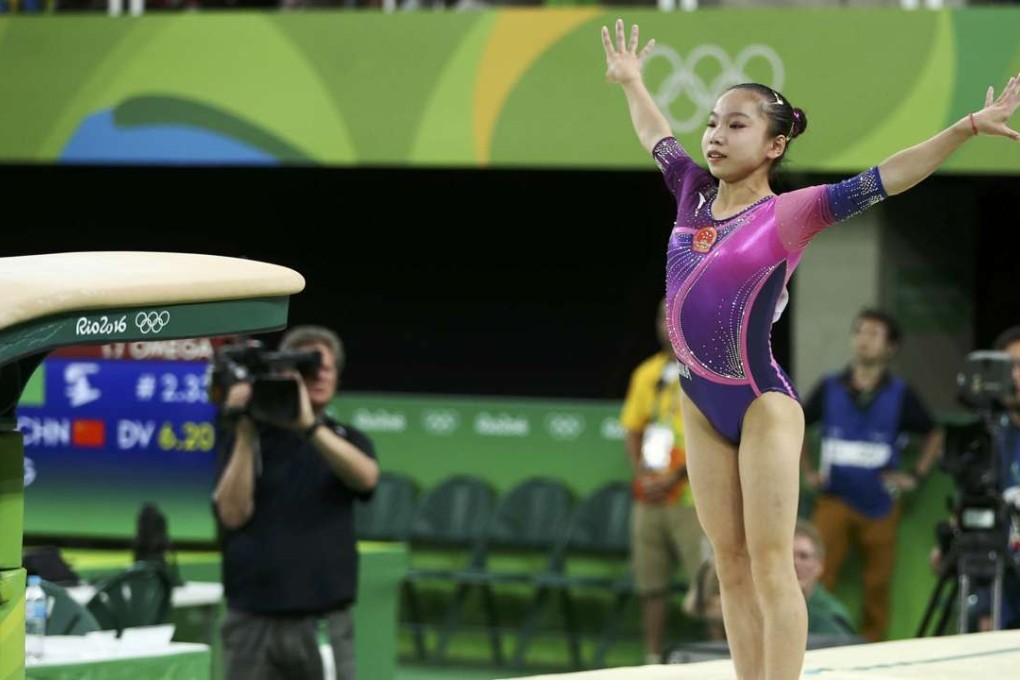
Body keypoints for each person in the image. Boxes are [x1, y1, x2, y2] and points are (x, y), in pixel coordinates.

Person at [600, 15, 1019, 680]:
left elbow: (888, 176)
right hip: (699, 402)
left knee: (771, 566)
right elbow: (656, 133)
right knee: (728, 566)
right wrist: (630, 81)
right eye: (712, 121)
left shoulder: (789, 214)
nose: (714, 133)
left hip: (761, 401)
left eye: (736, 124)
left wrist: (965, 127)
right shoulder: (690, 193)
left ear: (773, 144)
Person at [212, 325, 380, 680]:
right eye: (306, 368)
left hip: (322, 621)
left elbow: (366, 478)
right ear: (284, 375)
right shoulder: (249, 440)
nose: (317, 376)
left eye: (325, 368)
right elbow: (232, 514)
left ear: (337, 378)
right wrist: (245, 433)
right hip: (252, 620)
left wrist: (309, 427)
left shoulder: (347, 439)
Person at [800, 308, 943, 642]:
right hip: (833, 498)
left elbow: (935, 433)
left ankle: (873, 656)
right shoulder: (830, 386)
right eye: (860, 332)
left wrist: (916, 476)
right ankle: (807, 644)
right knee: (813, 578)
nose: (864, 340)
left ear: (891, 348)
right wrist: (807, 470)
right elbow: (799, 422)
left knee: (877, 588)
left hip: (879, 503)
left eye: (874, 334)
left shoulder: (901, 394)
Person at [620, 296, 709, 663]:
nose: (666, 324)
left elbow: (716, 435)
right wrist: (643, 475)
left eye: (674, 316)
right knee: (651, 586)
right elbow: (633, 429)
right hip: (651, 498)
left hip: (695, 500)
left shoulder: (709, 372)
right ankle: (653, 658)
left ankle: (722, 659)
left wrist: (676, 476)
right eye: (661, 317)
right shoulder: (646, 374)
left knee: (708, 586)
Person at [929, 325, 1020, 632]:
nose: (1015, 376)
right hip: (997, 581)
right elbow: (973, 507)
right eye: (1008, 366)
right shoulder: (985, 440)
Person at [681, 519, 858, 644]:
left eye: (804, 556)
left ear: (819, 566)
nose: (795, 563)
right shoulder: (759, 598)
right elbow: (692, 607)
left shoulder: (829, 619)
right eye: (788, 555)